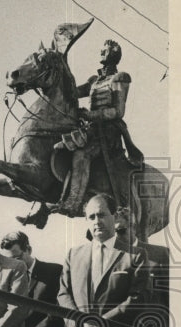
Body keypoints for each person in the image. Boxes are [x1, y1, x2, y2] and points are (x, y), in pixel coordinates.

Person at [55, 39, 144, 214]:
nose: (101, 52)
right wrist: (61, 64)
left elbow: (118, 111)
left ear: (114, 54)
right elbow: (72, 92)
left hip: (109, 132)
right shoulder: (94, 80)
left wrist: (90, 115)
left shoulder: (120, 78)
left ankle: (73, 202)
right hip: (92, 128)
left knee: (82, 155)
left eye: (105, 50)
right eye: (101, 50)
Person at [57, 193, 149, 327]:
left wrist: (103, 323)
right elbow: (64, 295)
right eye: (91, 217)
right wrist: (79, 324)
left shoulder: (135, 255)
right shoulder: (74, 255)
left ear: (114, 216)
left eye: (101, 215)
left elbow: (138, 298)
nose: (97, 221)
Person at [0, 230, 68, 327]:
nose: (13, 265)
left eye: (17, 259)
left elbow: (58, 311)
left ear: (28, 250)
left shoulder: (54, 272)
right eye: (9, 261)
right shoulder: (7, 280)